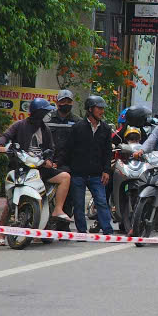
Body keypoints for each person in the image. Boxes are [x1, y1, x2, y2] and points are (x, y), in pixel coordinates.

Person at [0, 97, 73, 225]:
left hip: (40, 168)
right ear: (37, 112)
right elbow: (5, 136)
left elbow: (51, 148)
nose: (46, 114)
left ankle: (58, 209)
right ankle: (2, 233)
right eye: (44, 112)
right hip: (21, 168)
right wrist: (1, 146)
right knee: (11, 201)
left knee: (65, 177)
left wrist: (49, 160)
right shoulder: (19, 125)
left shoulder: (45, 129)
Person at [63, 95, 115, 235]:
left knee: (102, 202)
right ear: (90, 109)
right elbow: (68, 149)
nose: (102, 111)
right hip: (78, 174)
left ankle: (108, 231)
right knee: (78, 204)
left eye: (103, 109)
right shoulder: (78, 128)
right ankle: (81, 231)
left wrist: (106, 170)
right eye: (99, 108)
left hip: (97, 174)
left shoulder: (105, 129)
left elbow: (107, 152)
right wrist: (66, 167)